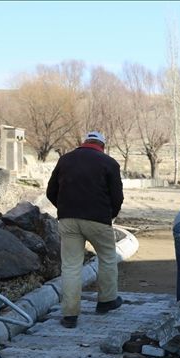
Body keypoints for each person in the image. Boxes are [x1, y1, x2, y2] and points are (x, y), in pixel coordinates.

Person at [46, 131, 124, 328]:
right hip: (98, 219)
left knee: (71, 266)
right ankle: (106, 301)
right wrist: (110, 215)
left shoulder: (65, 160)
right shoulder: (109, 163)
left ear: (84, 143)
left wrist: (65, 209)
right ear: (102, 146)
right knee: (107, 257)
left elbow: (50, 191)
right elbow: (117, 197)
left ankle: (70, 315)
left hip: (68, 219)